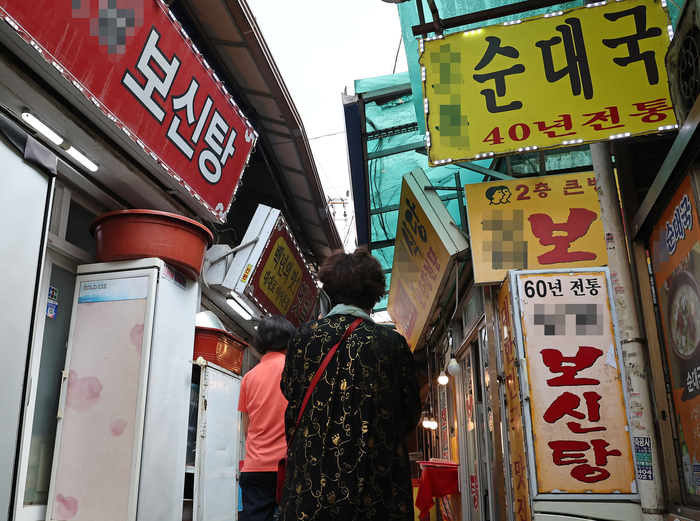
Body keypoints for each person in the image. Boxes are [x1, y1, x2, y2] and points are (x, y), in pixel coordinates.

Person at [278, 248, 422, 520]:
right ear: (375, 294)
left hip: (311, 489)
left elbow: (291, 394)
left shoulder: (303, 338)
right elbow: (409, 415)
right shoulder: (392, 344)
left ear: (330, 291)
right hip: (378, 492)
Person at [238, 314, 295, 521]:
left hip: (255, 467)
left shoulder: (249, 377)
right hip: (288, 465)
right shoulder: (295, 371)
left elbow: (246, 429)